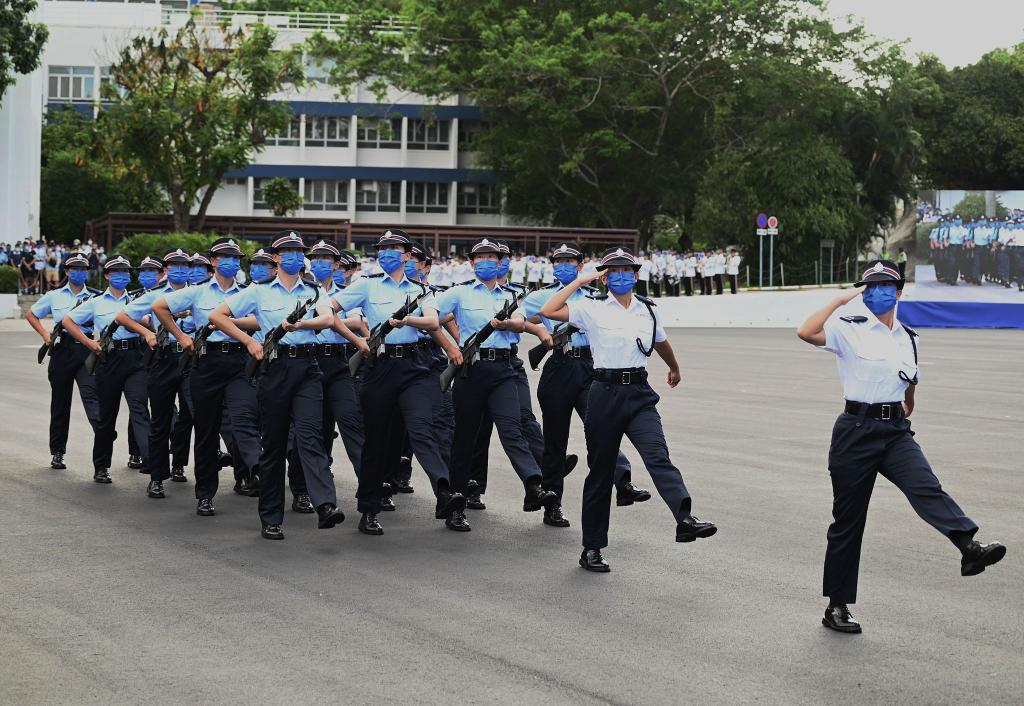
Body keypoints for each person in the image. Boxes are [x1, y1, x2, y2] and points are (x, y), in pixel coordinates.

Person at [796, 260, 1006, 634]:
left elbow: (910, 378)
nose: (877, 291)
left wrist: (908, 401)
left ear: (899, 291)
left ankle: (969, 549)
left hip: (894, 431)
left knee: (926, 486)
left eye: (885, 285)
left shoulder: (909, 336)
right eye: (870, 285)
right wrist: (842, 299)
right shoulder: (849, 328)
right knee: (848, 521)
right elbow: (804, 331)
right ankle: (837, 606)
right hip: (855, 432)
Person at [540, 246, 717, 573]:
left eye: (627, 270)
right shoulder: (590, 308)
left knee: (657, 455)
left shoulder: (648, 310)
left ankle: (685, 517)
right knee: (601, 471)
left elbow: (660, 341)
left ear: (636, 275)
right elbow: (551, 310)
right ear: (605, 278)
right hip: (604, 393)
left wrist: (674, 367)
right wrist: (581, 280)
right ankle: (592, 547)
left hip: (638, 393)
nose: (621, 276)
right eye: (614, 271)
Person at [210, 231, 359, 540]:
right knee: (275, 445)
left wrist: (302, 324)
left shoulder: (313, 290)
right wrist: (249, 341)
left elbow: (329, 320)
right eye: (287, 251)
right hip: (274, 368)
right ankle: (271, 516)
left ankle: (325, 504)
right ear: (276, 258)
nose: (294, 256)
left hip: (307, 366)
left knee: (310, 436)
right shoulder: (259, 291)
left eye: (297, 251)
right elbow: (217, 315)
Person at [334, 230, 467, 535]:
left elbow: (433, 322)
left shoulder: (422, 291)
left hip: (415, 367)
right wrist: (357, 339)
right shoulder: (366, 286)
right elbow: (328, 310)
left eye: (394, 248)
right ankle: (369, 509)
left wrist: (407, 320)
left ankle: (444, 491)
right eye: (382, 249)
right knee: (377, 442)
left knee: (423, 428)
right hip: (379, 367)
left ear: (408, 255)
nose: (387, 253)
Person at [523, 242, 650, 528]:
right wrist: (541, 330)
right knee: (555, 439)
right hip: (559, 366)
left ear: (582, 265)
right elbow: (519, 319)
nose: (563, 266)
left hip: (590, 366)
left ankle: (623, 481)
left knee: (601, 427)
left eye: (570, 261)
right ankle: (552, 504)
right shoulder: (542, 296)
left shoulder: (595, 297)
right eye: (558, 262)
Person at [437, 238, 561, 529]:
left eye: (491, 257)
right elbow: (432, 319)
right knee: (464, 439)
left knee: (512, 427)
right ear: (471, 262)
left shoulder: (512, 295)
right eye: (480, 257)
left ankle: (533, 484)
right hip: (471, 370)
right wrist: (452, 347)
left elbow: (520, 322)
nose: (486, 262)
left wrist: (508, 324)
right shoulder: (460, 292)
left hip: (504, 369)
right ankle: (456, 502)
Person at [153, 239, 262, 516]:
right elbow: (160, 307)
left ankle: (253, 472)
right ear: (213, 262)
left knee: (244, 418)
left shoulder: (249, 292)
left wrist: (228, 321)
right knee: (206, 431)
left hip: (240, 359)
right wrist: (181, 336)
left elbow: (259, 321)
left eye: (235, 258)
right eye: (225, 257)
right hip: (206, 360)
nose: (231, 262)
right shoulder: (197, 292)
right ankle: (205, 494)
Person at [61, 256, 151, 484]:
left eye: (125, 271)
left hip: (135, 357)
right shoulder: (95, 301)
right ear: (107, 276)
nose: (121, 275)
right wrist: (89, 343)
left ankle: (152, 460)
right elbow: (68, 321)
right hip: (108, 359)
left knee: (140, 409)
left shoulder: (138, 300)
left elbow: (152, 321)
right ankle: (101, 466)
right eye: (116, 271)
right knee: (105, 417)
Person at [116, 250, 192, 498]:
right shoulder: (155, 295)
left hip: (193, 358)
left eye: (184, 265)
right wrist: (146, 332)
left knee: (193, 416)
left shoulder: (198, 293)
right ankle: (158, 477)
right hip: (165, 357)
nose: (180, 269)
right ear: (166, 270)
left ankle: (181, 465)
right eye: (175, 265)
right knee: (160, 419)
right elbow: (122, 316)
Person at [24, 253, 102, 470]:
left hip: (87, 348)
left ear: (87, 272)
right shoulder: (54, 296)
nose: (79, 272)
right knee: (60, 403)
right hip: (62, 349)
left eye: (83, 269)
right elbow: (31, 314)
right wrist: (44, 335)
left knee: (92, 398)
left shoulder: (97, 296)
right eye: (74, 268)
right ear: (66, 271)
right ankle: (58, 452)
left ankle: (104, 438)